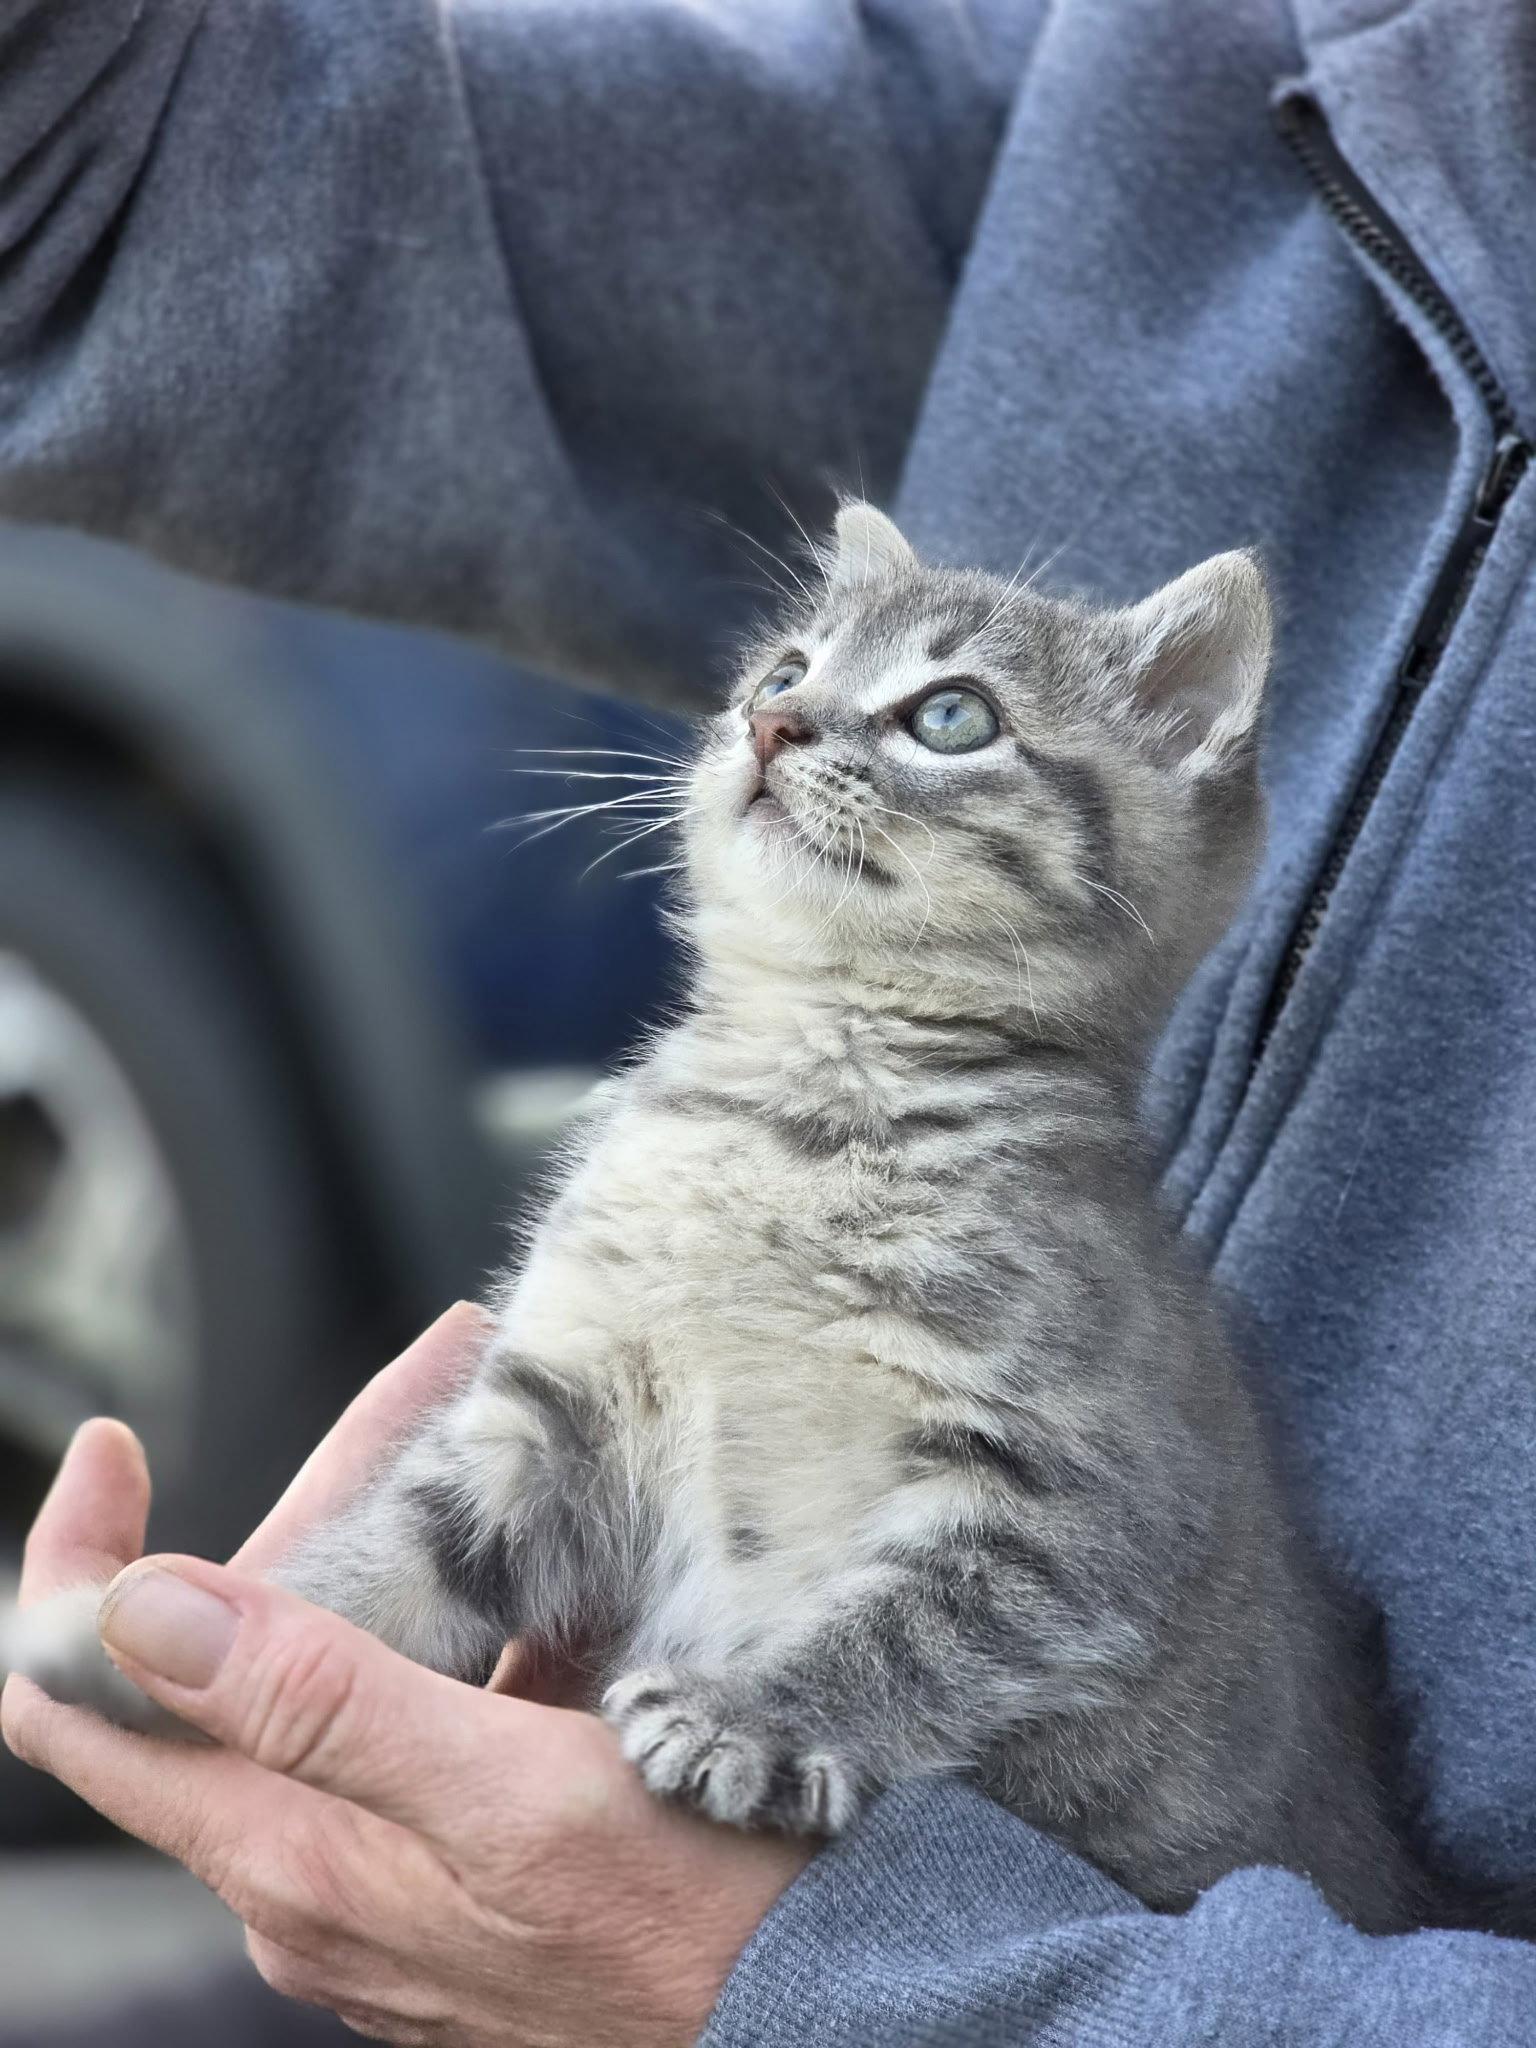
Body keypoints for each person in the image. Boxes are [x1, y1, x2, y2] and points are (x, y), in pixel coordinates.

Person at [3, 1, 1535, 2042]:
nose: (796, 724)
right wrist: (261, 1661)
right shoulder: (1212, 66)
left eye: (943, 718)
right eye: (793, 679)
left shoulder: (1029, 1207)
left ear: (1175, 751)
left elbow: (1047, 1572)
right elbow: (162, 181)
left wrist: (833, 1970)